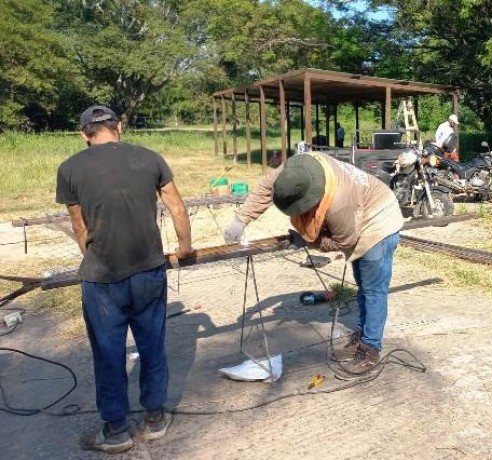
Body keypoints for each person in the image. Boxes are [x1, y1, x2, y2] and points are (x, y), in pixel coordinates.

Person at [56, 106, 193, 454]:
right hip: (149, 269)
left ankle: (116, 430)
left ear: (83, 133)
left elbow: (79, 225)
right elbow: (177, 207)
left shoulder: (70, 168)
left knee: (108, 352)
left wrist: (93, 259)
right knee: (151, 345)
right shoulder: (150, 158)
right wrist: (185, 246)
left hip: (102, 278)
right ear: (119, 126)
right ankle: (155, 418)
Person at [223, 153, 402, 374]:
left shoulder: (340, 205)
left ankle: (371, 347)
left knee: (373, 289)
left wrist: (310, 242)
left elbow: (343, 240)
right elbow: (266, 187)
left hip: (378, 222)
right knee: (364, 286)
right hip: (361, 209)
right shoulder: (297, 169)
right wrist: (241, 219)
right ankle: (364, 336)